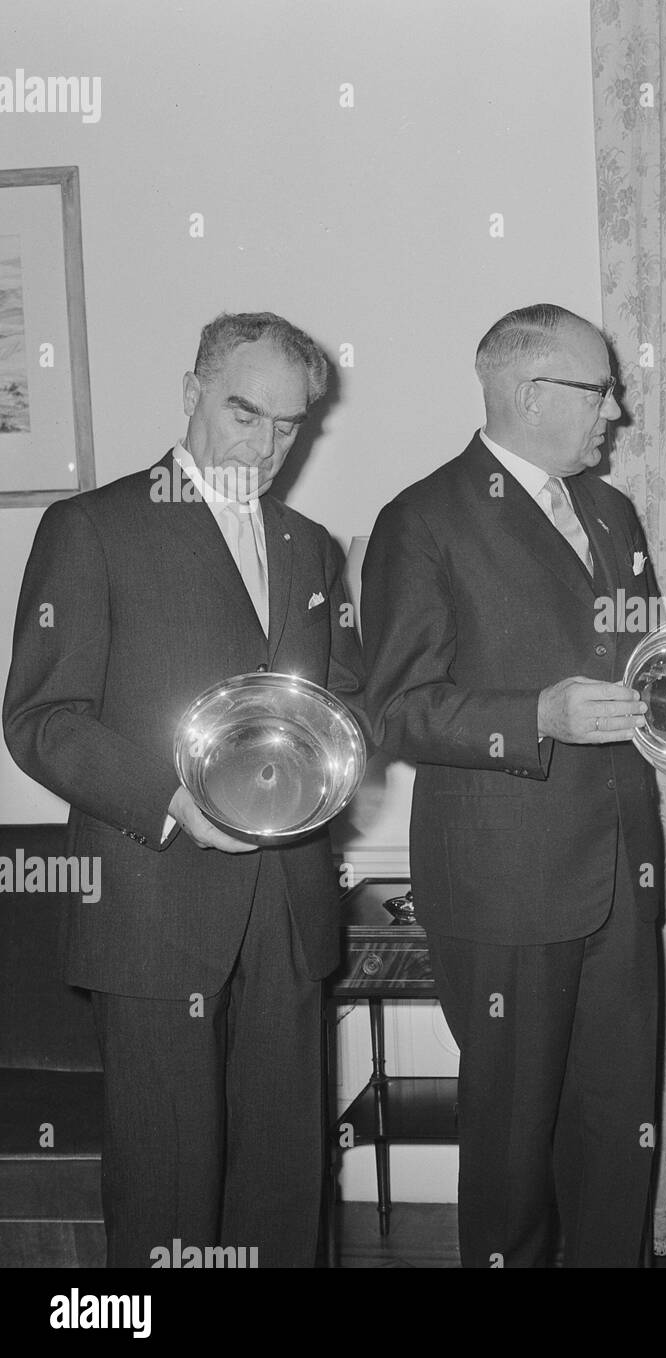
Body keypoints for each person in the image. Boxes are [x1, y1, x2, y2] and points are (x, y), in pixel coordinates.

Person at [3, 311, 364, 1267]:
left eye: (290, 426)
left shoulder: (310, 545)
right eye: (246, 413)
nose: (266, 444)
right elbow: (41, 719)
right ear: (192, 390)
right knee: (166, 1188)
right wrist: (174, 802)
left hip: (286, 909)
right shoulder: (93, 527)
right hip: (151, 910)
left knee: (286, 1183)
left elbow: (342, 702)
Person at [361, 303, 663, 1268]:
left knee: (620, 1122)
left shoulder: (612, 512)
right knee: (512, 1132)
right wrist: (533, 715)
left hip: (621, 865)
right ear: (532, 395)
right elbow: (399, 709)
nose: (614, 411)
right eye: (599, 389)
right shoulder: (421, 520)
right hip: (504, 882)